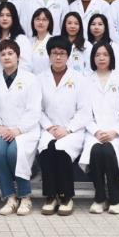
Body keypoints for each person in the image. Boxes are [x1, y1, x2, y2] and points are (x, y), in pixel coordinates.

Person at [79, 41, 119, 215]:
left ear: (111, 57)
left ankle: (117, 197)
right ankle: (100, 197)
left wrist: (114, 132)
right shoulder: (86, 82)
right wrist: (96, 131)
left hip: (117, 132)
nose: (101, 58)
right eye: (97, 55)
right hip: (94, 132)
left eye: (105, 54)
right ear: (92, 58)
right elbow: (84, 113)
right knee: (96, 150)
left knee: (109, 150)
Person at [0, 39, 41, 216]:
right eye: (3, 54)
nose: (6, 57)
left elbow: (34, 110)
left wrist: (18, 130)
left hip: (25, 130)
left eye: (10, 53)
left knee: (14, 152)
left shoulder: (31, 79)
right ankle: (10, 197)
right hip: (2, 130)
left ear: (18, 57)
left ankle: (25, 196)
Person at [37, 36, 88, 216]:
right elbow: (37, 108)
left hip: (72, 130)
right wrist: (50, 127)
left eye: (62, 53)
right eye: (54, 53)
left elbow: (84, 111)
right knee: (46, 149)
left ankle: (66, 196)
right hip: (48, 128)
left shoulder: (79, 79)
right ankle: (50, 196)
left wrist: (68, 129)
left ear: (68, 55)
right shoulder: (40, 79)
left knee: (61, 151)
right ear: (49, 55)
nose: (58, 57)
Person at [0, 1, 32, 72]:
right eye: (1, 15)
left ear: (14, 18)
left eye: (8, 15)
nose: (4, 18)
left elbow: (26, 65)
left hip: (17, 78)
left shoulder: (21, 39)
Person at [29, 8, 53, 75]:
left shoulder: (53, 42)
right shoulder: (28, 41)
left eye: (44, 20)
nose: (40, 22)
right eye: (37, 19)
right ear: (33, 22)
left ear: (49, 22)